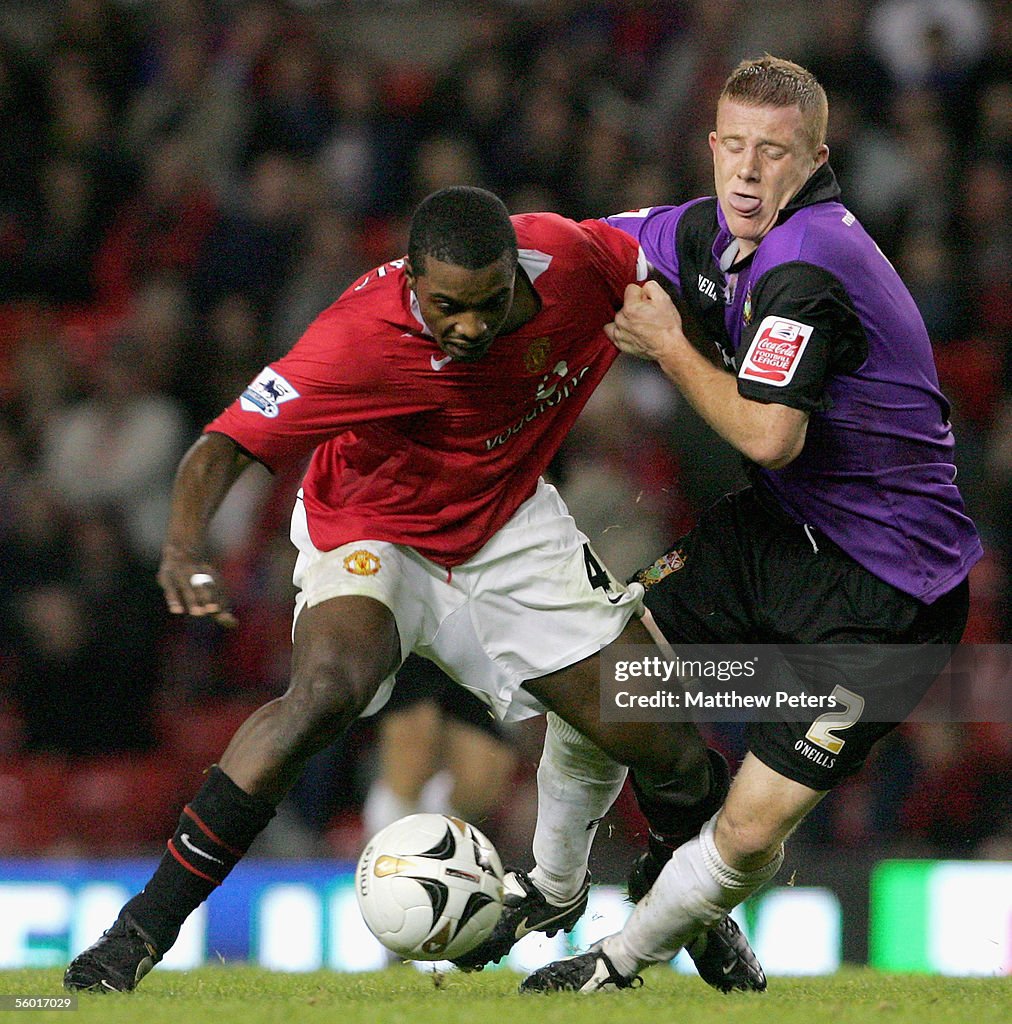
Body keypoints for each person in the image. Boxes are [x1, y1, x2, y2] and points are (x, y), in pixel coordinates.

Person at [63, 185, 758, 993]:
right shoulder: (358, 337)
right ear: (412, 282)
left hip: (507, 530)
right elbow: (225, 444)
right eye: (446, 307)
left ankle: (685, 907)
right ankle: (139, 931)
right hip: (372, 529)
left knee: (667, 743)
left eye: (490, 303)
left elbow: (695, 235)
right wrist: (183, 546)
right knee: (326, 691)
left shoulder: (578, 259)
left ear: (518, 270)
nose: (469, 325)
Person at [519, 55, 983, 993]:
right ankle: (554, 883)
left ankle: (617, 964)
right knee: (609, 673)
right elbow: (584, 246)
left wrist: (666, 343)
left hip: (889, 594)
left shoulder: (809, 260)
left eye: (772, 153)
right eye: (733, 145)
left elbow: (770, 433)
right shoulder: (703, 232)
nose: (746, 171)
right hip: (782, 533)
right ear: (711, 144)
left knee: (748, 827)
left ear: (814, 157)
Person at [361, 653, 518, 839]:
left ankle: (436, 841)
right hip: (414, 643)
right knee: (414, 747)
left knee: (484, 772)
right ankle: (386, 848)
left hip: (463, 641)